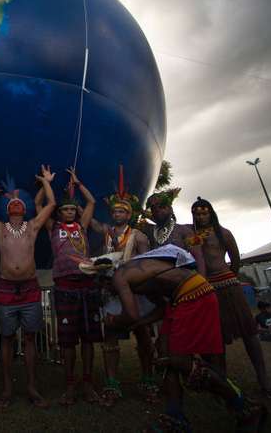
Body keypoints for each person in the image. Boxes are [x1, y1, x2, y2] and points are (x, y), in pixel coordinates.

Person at [107, 247, 267, 431]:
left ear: (103, 278)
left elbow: (130, 315)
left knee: (178, 360)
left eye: (105, 289)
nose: (109, 293)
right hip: (181, 298)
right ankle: (175, 417)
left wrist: (113, 320)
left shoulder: (119, 276)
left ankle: (245, 407)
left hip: (193, 294)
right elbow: (160, 307)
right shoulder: (138, 275)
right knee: (165, 352)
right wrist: (140, 323)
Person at [0, 166, 56, 409]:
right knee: (7, 339)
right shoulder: (0, 229)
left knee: (30, 339)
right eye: (12, 204)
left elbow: (51, 204)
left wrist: (45, 182)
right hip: (7, 289)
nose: (16, 205)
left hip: (30, 288)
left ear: (25, 208)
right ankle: (7, 388)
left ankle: (32, 386)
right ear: (7, 209)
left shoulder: (32, 227)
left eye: (20, 203)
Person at [190, 197, 271, 397]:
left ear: (211, 213)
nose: (201, 217)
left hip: (229, 285)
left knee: (249, 332)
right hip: (207, 288)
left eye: (204, 213)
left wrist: (230, 277)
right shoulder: (192, 236)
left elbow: (235, 260)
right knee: (216, 336)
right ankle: (222, 381)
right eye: (197, 214)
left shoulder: (223, 233)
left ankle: (264, 380)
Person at [35, 168, 101, 405]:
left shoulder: (82, 226)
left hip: (87, 285)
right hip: (64, 287)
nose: (70, 212)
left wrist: (78, 181)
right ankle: (70, 385)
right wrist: (46, 183)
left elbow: (91, 201)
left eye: (73, 209)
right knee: (67, 341)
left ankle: (88, 383)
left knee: (88, 339)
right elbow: (38, 203)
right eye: (65, 209)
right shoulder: (53, 227)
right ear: (60, 213)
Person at [88, 167, 152, 405]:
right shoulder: (105, 231)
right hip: (111, 291)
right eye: (114, 211)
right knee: (110, 337)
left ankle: (148, 380)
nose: (117, 214)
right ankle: (112, 384)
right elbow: (89, 221)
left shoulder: (139, 236)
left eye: (121, 211)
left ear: (129, 214)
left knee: (143, 335)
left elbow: (146, 264)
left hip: (135, 292)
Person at [142, 189, 206, 275]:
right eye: (154, 209)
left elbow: (198, 257)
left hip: (182, 279)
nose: (158, 211)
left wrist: (203, 282)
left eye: (162, 207)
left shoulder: (184, 231)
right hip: (157, 280)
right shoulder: (149, 231)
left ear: (170, 209)